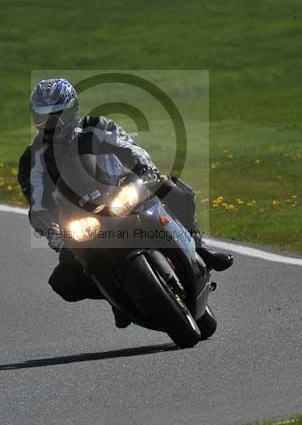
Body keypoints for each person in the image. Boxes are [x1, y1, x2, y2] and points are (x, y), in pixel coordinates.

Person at [17, 78, 232, 328]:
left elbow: (129, 149)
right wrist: (51, 230)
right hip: (78, 224)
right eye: (45, 118)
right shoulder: (32, 159)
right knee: (64, 282)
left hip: (119, 193)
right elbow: (37, 204)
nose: (53, 125)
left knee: (174, 190)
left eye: (58, 116)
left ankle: (199, 246)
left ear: (72, 109)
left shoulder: (95, 127)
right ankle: (114, 297)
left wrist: (145, 169)